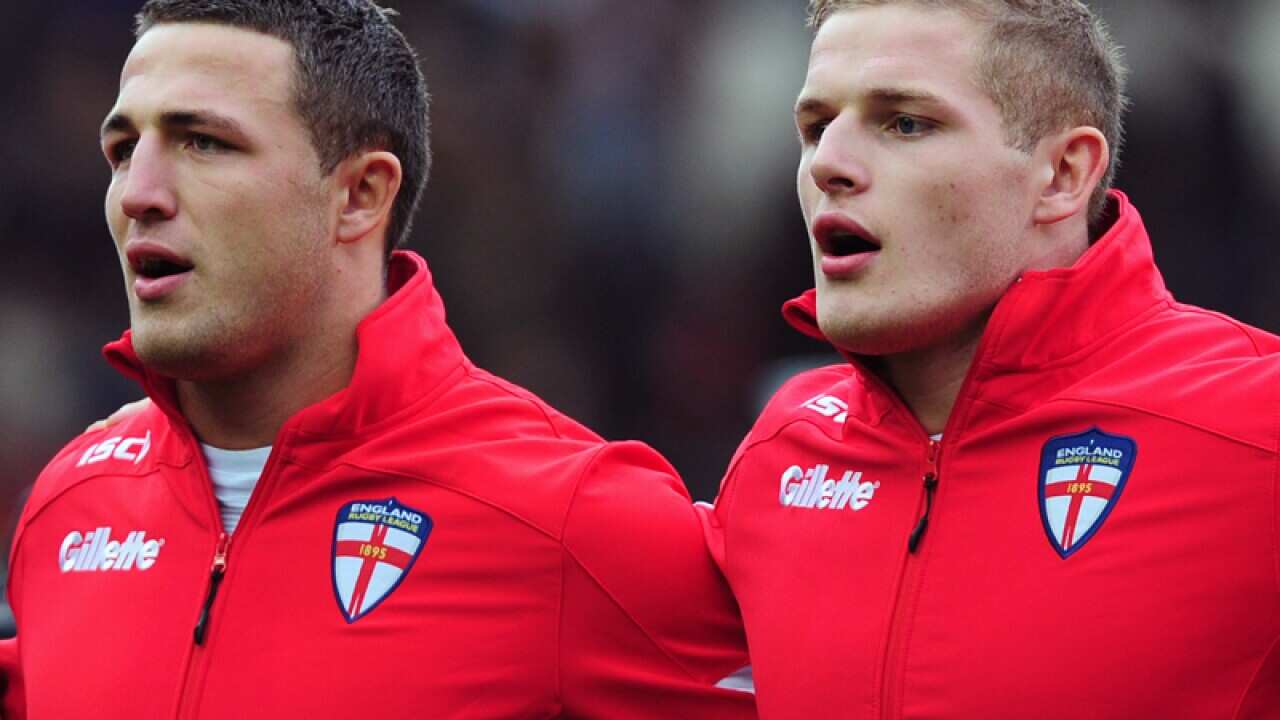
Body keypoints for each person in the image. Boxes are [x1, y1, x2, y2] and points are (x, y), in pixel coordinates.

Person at [0, 2, 756, 717]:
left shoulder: (573, 519)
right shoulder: (70, 503)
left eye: (203, 142)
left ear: (360, 194)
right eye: (123, 149)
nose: (138, 192)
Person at [699, 1, 1280, 718]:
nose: (829, 166)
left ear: (1064, 175)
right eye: (816, 127)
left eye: (905, 122)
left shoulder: (1256, 432)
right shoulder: (780, 456)